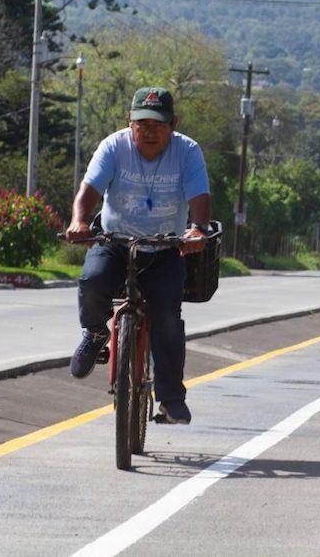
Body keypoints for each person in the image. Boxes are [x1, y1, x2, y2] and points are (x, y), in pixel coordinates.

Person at [65, 86, 211, 425]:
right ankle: (96, 333)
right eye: (142, 124)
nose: (149, 131)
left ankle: (171, 399)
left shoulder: (187, 151)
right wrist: (79, 221)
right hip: (115, 239)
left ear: (172, 124)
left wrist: (198, 229)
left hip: (165, 247)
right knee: (93, 280)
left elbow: (200, 196)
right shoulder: (113, 146)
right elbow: (88, 191)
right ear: (129, 123)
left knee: (167, 319)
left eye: (158, 125)